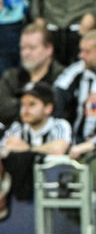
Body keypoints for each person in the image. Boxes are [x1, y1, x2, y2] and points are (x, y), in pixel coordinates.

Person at [0, 82, 70, 219]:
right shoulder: (17, 127)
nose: (25, 110)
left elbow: (59, 148)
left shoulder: (59, 125)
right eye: (23, 105)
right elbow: (5, 149)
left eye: (32, 104)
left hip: (57, 190)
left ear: (48, 108)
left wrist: (28, 149)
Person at [0, 23, 64, 127]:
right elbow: (2, 108)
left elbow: (59, 109)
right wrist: (36, 107)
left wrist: (18, 106)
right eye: (23, 48)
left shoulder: (63, 77)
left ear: (49, 49)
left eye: (32, 48)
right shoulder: (11, 76)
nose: (26, 53)